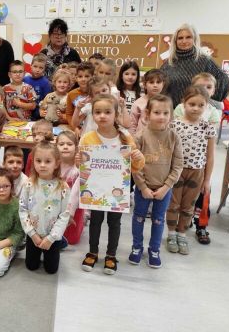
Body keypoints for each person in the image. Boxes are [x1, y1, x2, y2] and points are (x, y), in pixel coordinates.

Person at [79, 94, 145, 275]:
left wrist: (138, 157)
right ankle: (92, 252)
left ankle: (111, 255)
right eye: (98, 112)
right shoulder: (88, 138)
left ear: (116, 114)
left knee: (114, 223)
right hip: (96, 190)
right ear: (92, 114)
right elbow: (83, 167)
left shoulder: (125, 137)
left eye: (107, 112)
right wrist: (79, 161)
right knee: (95, 222)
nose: (102, 116)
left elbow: (136, 166)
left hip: (117, 191)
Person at [130, 94, 183, 268]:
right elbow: (134, 165)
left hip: (164, 190)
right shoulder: (140, 137)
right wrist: (143, 187)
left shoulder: (174, 137)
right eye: (157, 112)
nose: (161, 116)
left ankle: (154, 249)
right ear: (147, 114)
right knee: (138, 217)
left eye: (166, 113)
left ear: (171, 115)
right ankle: (137, 247)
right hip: (143, 189)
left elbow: (178, 165)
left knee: (158, 220)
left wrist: (166, 187)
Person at [173, 73, 221, 244]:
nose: (204, 90)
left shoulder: (212, 115)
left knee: (199, 199)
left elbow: (210, 153)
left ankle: (200, 227)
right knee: (176, 202)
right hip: (179, 169)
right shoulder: (178, 115)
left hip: (199, 168)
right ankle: (177, 229)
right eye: (200, 86)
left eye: (208, 87)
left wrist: (207, 179)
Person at [167, 86, 216, 255]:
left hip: (197, 172)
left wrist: (207, 180)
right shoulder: (174, 125)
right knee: (173, 204)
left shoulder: (208, 127)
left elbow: (210, 156)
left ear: (207, 106)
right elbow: (168, 151)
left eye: (201, 105)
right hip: (176, 171)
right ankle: (171, 234)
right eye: (192, 104)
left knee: (189, 206)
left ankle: (182, 234)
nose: (196, 108)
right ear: (183, 103)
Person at [19, 142, 71, 274]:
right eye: (38, 161)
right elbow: (23, 210)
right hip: (33, 235)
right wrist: (32, 234)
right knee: (31, 266)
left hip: (52, 237)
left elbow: (64, 215)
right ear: (33, 161)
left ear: (56, 163)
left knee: (51, 270)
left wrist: (51, 238)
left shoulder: (63, 187)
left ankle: (60, 243)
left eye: (47, 161)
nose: (42, 165)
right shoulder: (28, 184)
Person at [160, 23, 229, 108]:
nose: (184, 41)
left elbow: (224, 81)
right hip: (174, 111)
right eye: (180, 38)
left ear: (195, 39)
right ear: (175, 41)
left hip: (198, 112)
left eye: (188, 37)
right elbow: (160, 88)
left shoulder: (205, 61)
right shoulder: (168, 63)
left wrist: (208, 97)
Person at [56, 131, 84, 245]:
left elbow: (78, 192)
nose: (65, 147)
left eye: (69, 144)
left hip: (73, 208)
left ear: (76, 148)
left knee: (71, 239)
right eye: (61, 144)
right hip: (54, 206)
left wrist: (69, 213)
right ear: (56, 147)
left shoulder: (78, 169)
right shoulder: (53, 165)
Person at [129, 69, 167, 136]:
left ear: (163, 84)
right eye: (151, 82)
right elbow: (132, 124)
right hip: (141, 139)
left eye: (158, 82)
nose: (155, 85)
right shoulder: (138, 103)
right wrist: (132, 139)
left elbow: (169, 122)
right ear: (144, 85)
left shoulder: (166, 103)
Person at [23, 53, 52, 120]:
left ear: (44, 69)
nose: (37, 70)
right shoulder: (25, 79)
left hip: (39, 113)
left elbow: (47, 101)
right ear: (31, 66)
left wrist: (40, 111)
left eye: (41, 68)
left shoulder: (46, 83)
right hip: (25, 110)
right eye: (35, 66)